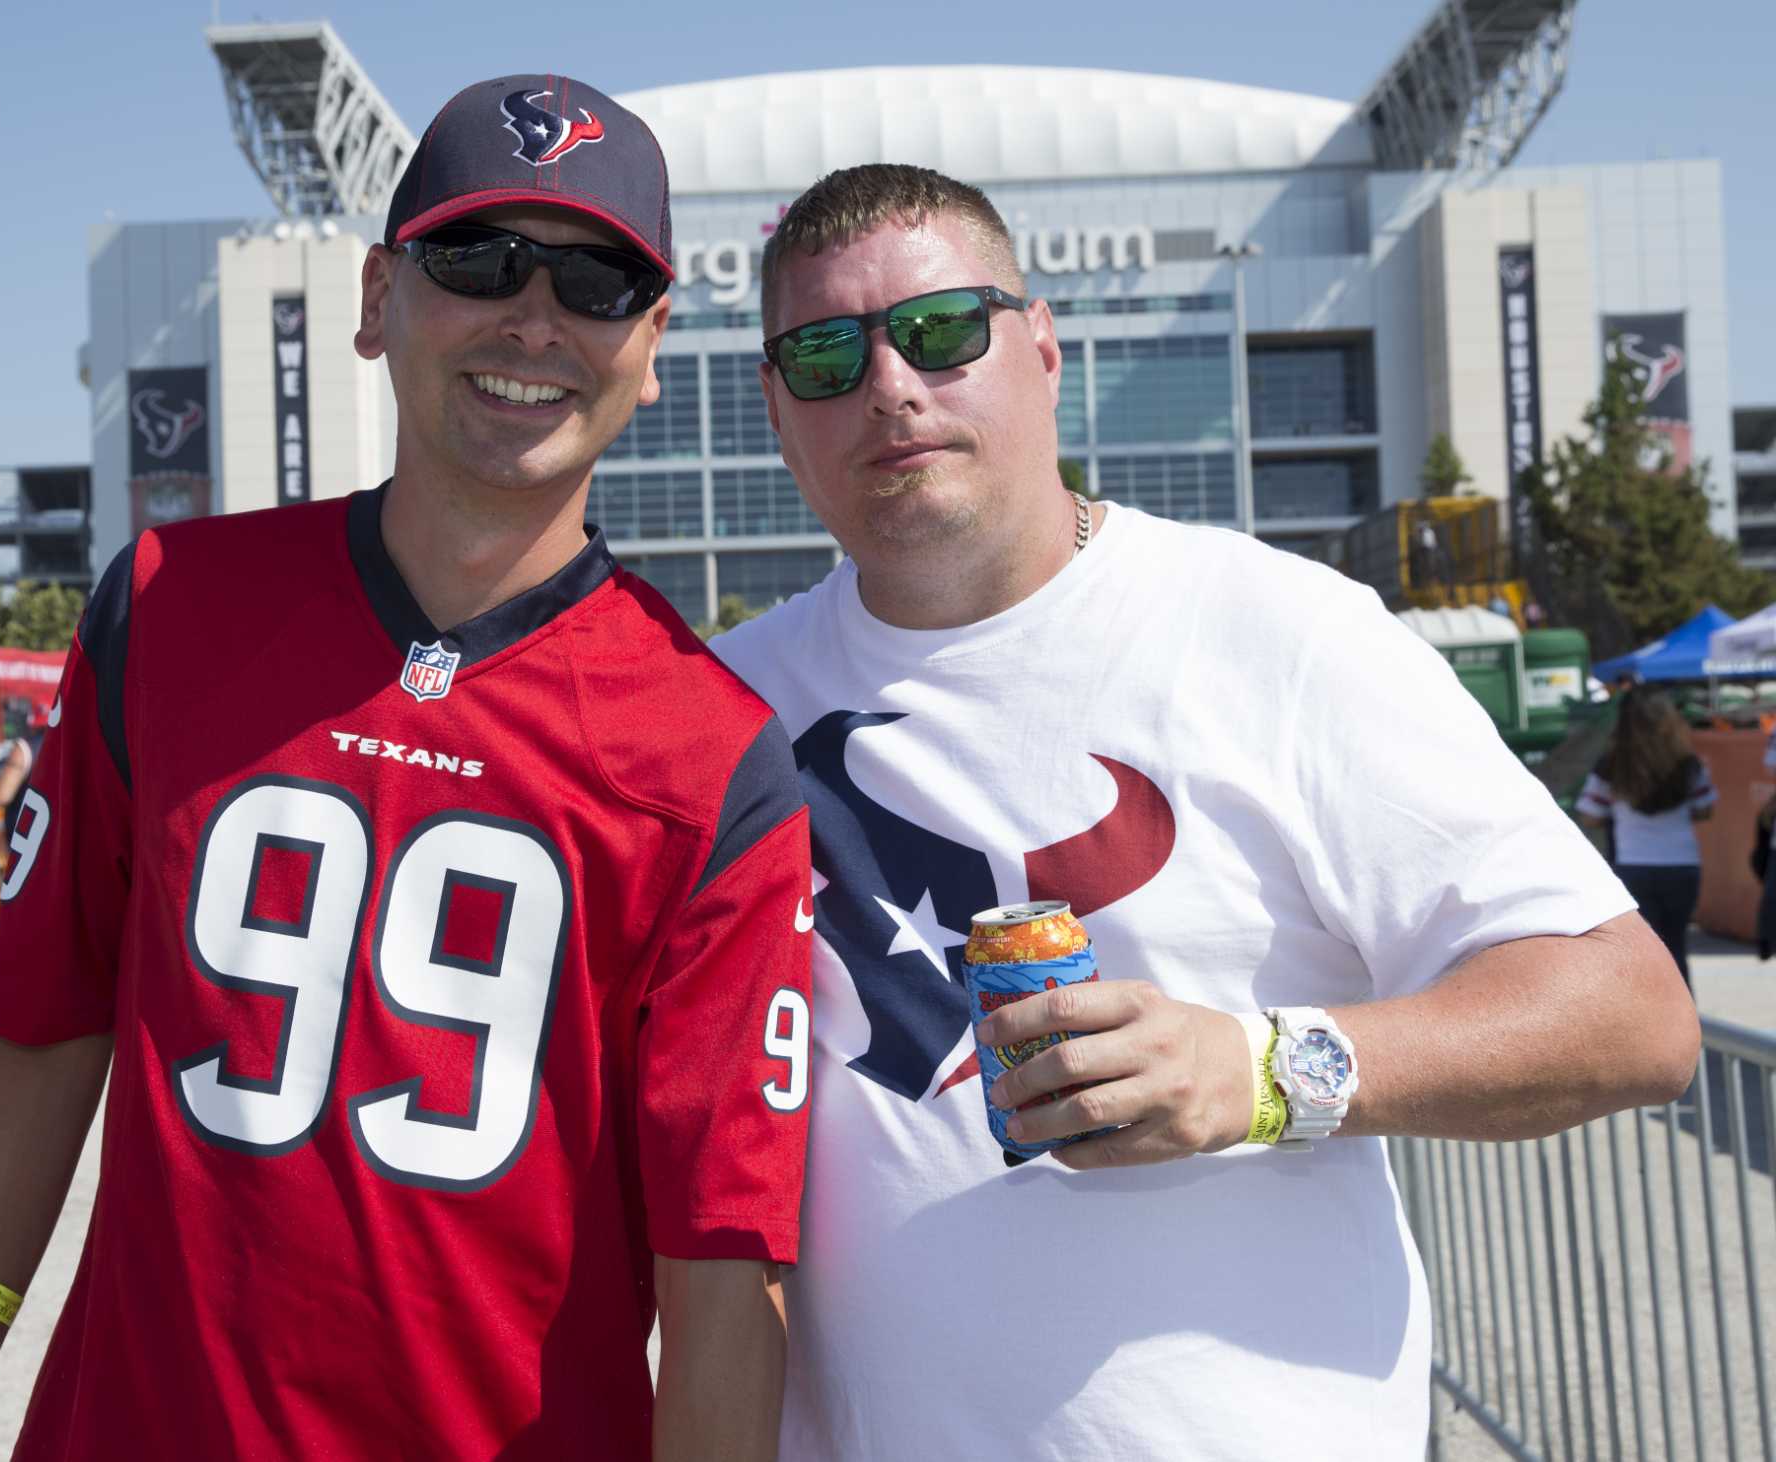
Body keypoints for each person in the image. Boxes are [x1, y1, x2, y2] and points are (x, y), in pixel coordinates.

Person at [0, 74, 810, 1462]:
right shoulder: (169, 606)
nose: (535, 319)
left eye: (599, 282)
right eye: (479, 261)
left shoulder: (715, 758)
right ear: (377, 299)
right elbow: (46, 1017)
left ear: (655, 343)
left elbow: (728, 1258)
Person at [709, 163, 1701, 1461]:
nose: (892, 383)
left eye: (944, 329)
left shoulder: (1276, 634)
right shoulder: (720, 713)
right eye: (828, 353)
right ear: (777, 404)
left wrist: (1261, 1073)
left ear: (1045, 347)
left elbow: (1634, 1010)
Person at [1577, 688, 1716, 985]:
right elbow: (1705, 810)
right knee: (1676, 947)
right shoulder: (1688, 765)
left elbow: (1589, 813)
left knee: (1644, 954)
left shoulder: (1611, 766)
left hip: (1634, 865)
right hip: (1682, 864)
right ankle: (1686, 1018)